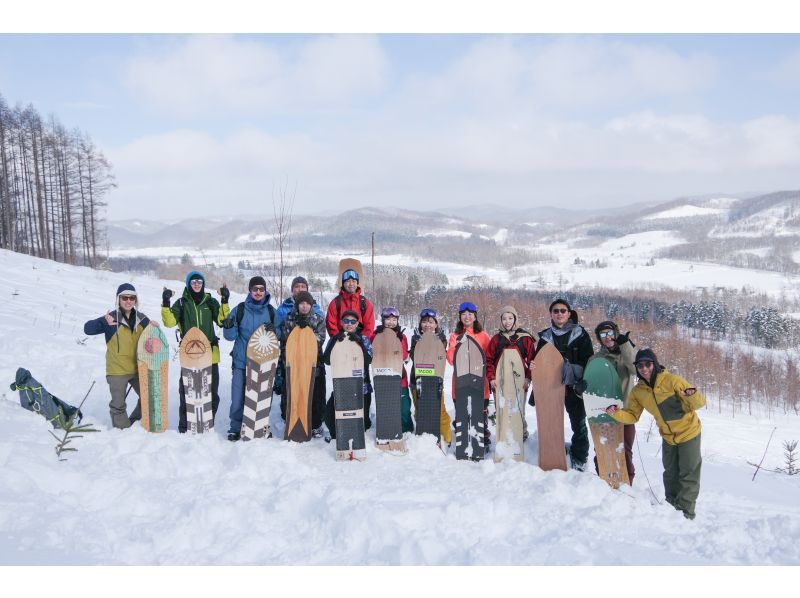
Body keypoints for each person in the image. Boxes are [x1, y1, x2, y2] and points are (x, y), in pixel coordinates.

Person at [606, 348, 705, 520]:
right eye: (640, 365)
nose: (644, 368)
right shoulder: (638, 392)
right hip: (668, 437)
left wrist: (692, 394)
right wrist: (615, 413)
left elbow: (698, 404)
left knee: (688, 474)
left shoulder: (672, 381)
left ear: (655, 364)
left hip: (689, 433)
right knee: (670, 474)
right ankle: (672, 508)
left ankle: (686, 514)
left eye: (648, 364)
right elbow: (632, 416)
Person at [162, 270, 230, 433]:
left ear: (203, 284)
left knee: (212, 393)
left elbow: (221, 321)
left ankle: (207, 424)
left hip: (210, 354)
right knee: (187, 392)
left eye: (199, 282)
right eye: (193, 282)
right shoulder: (181, 303)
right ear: (188, 284)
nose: (197, 284)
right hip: (190, 356)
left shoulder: (210, 302)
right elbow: (170, 322)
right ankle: (184, 427)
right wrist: (165, 303)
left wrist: (224, 301)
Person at [533, 298, 594, 471]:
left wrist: (578, 375)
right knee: (550, 422)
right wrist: (533, 366)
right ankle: (552, 453)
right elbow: (538, 361)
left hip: (574, 387)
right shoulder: (546, 337)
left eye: (563, 311)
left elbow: (588, 359)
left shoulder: (580, 334)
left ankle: (580, 458)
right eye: (555, 311)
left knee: (578, 424)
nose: (559, 314)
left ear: (569, 313)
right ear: (551, 314)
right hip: (551, 386)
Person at [84, 283, 151, 429]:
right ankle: (122, 431)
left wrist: (154, 328)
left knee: (148, 397)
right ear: (118, 300)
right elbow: (87, 329)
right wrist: (102, 323)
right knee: (118, 405)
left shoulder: (142, 319)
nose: (128, 301)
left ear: (135, 300)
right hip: (117, 370)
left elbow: (153, 340)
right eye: (124, 297)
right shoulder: (110, 318)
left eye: (132, 298)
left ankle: (134, 423)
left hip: (137, 368)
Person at [221, 276, 277, 441]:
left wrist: (275, 330)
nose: (258, 292)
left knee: (262, 397)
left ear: (265, 291)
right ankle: (235, 428)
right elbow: (230, 337)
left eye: (261, 289)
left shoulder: (271, 312)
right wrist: (229, 326)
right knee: (238, 398)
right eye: (255, 289)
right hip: (241, 362)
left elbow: (279, 334)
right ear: (250, 291)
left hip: (263, 362)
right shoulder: (239, 310)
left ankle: (260, 426)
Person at [588, 320, 637, 483]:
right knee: (602, 448)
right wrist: (581, 388)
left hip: (625, 411)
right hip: (603, 413)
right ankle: (604, 481)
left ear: (616, 334)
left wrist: (626, 346)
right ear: (599, 338)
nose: (607, 338)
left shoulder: (627, 355)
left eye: (610, 333)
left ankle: (627, 483)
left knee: (625, 449)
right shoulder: (596, 359)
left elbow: (635, 368)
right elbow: (590, 389)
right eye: (603, 335)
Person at [278, 290, 327, 437]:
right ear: (297, 305)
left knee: (315, 393)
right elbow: (286, 338)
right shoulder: (289, 319)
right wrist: (296, 329)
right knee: (293, 392)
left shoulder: (318, 319)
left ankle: (316, 424)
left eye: (307, 303)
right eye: (302, 303)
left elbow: (320, 339)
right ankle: (292, 420)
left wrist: (307, 331)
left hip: (314, 363)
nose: (304, 306)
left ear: (311, 305)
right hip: (294, 362)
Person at [486, 305, 536, 441]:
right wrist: (491, 378)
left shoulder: (525, 338)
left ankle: (522, 435)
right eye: (504, 319)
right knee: (502, 409)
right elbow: (488, 360)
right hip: (499, 380)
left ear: (515, 319)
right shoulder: (496, 339)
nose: (507, 321)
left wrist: (528, 378)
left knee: (518, 409)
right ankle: (504, 436)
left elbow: (532, 360)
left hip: (519, 380)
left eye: (510, 318)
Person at [446, 301, 492, 450]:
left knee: (479, 415)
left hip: (480, 384)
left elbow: (490, 357)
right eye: (463, 314)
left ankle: (481, 441)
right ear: (460, 317)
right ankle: (463, 440)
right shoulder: (455, 336)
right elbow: (452, 358)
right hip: (460, 383)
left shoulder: (484, 336)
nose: (466, 317)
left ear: (475, 316)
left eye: (470, 314)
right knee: (463, 414)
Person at [323, 309, 373, 437]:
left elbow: (369, 360)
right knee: (329, 415)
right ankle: (337, 437)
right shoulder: (336, 338)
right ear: (341, 323)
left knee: (363, 424)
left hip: (361, 387)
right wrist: (335, 341)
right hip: (342, 386)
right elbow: (327, 360)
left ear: (357, 324)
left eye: (353, 321)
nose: (349, 324)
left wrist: (359, 343)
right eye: (346, 321)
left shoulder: (364, 339)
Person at [273, 276, 325, 397]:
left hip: (311, 358)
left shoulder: (316, 310)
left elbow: (321, 333)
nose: (300, 289)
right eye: (297, 286)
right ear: (292, 289)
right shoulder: (284, 309)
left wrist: (307, 333)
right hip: (291, 355)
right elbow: (281, 332)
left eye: (303, 286)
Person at [409, 308, 453, 444]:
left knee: (440, 411)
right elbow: (413, 357)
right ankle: (423, 436)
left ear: (436, 324)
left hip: (435, 382)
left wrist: (436, 341)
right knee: (420, 411)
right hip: (417, 381)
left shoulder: (442, 339)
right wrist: (419, 342)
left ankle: (446, 439)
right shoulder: (415, 338)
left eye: (431, 322)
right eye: (424, 322)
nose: (427, 325)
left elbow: (439, 357)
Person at [370, 306, 413, 433]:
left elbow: (405, 356)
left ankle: (406, 429)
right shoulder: (375, 335)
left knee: (404, 406)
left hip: (399, 376)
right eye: (388, 319)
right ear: (383, 320)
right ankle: (387, 428)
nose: (391, 322)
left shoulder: (402, 336)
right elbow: (371, 353)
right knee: (387, 404)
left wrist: (398, 340)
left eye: (394, 319)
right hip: (382, 375)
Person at [325, 267, 376, 339]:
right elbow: (331, 323)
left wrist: (362, 339)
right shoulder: (336, 303)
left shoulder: (365, 303)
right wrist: (338, 338)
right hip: (340, 340)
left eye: (354, 281)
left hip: (360, 341)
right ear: (343, 283)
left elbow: (369, 325)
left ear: (357, 283)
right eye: (348, 281)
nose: (351, 284)